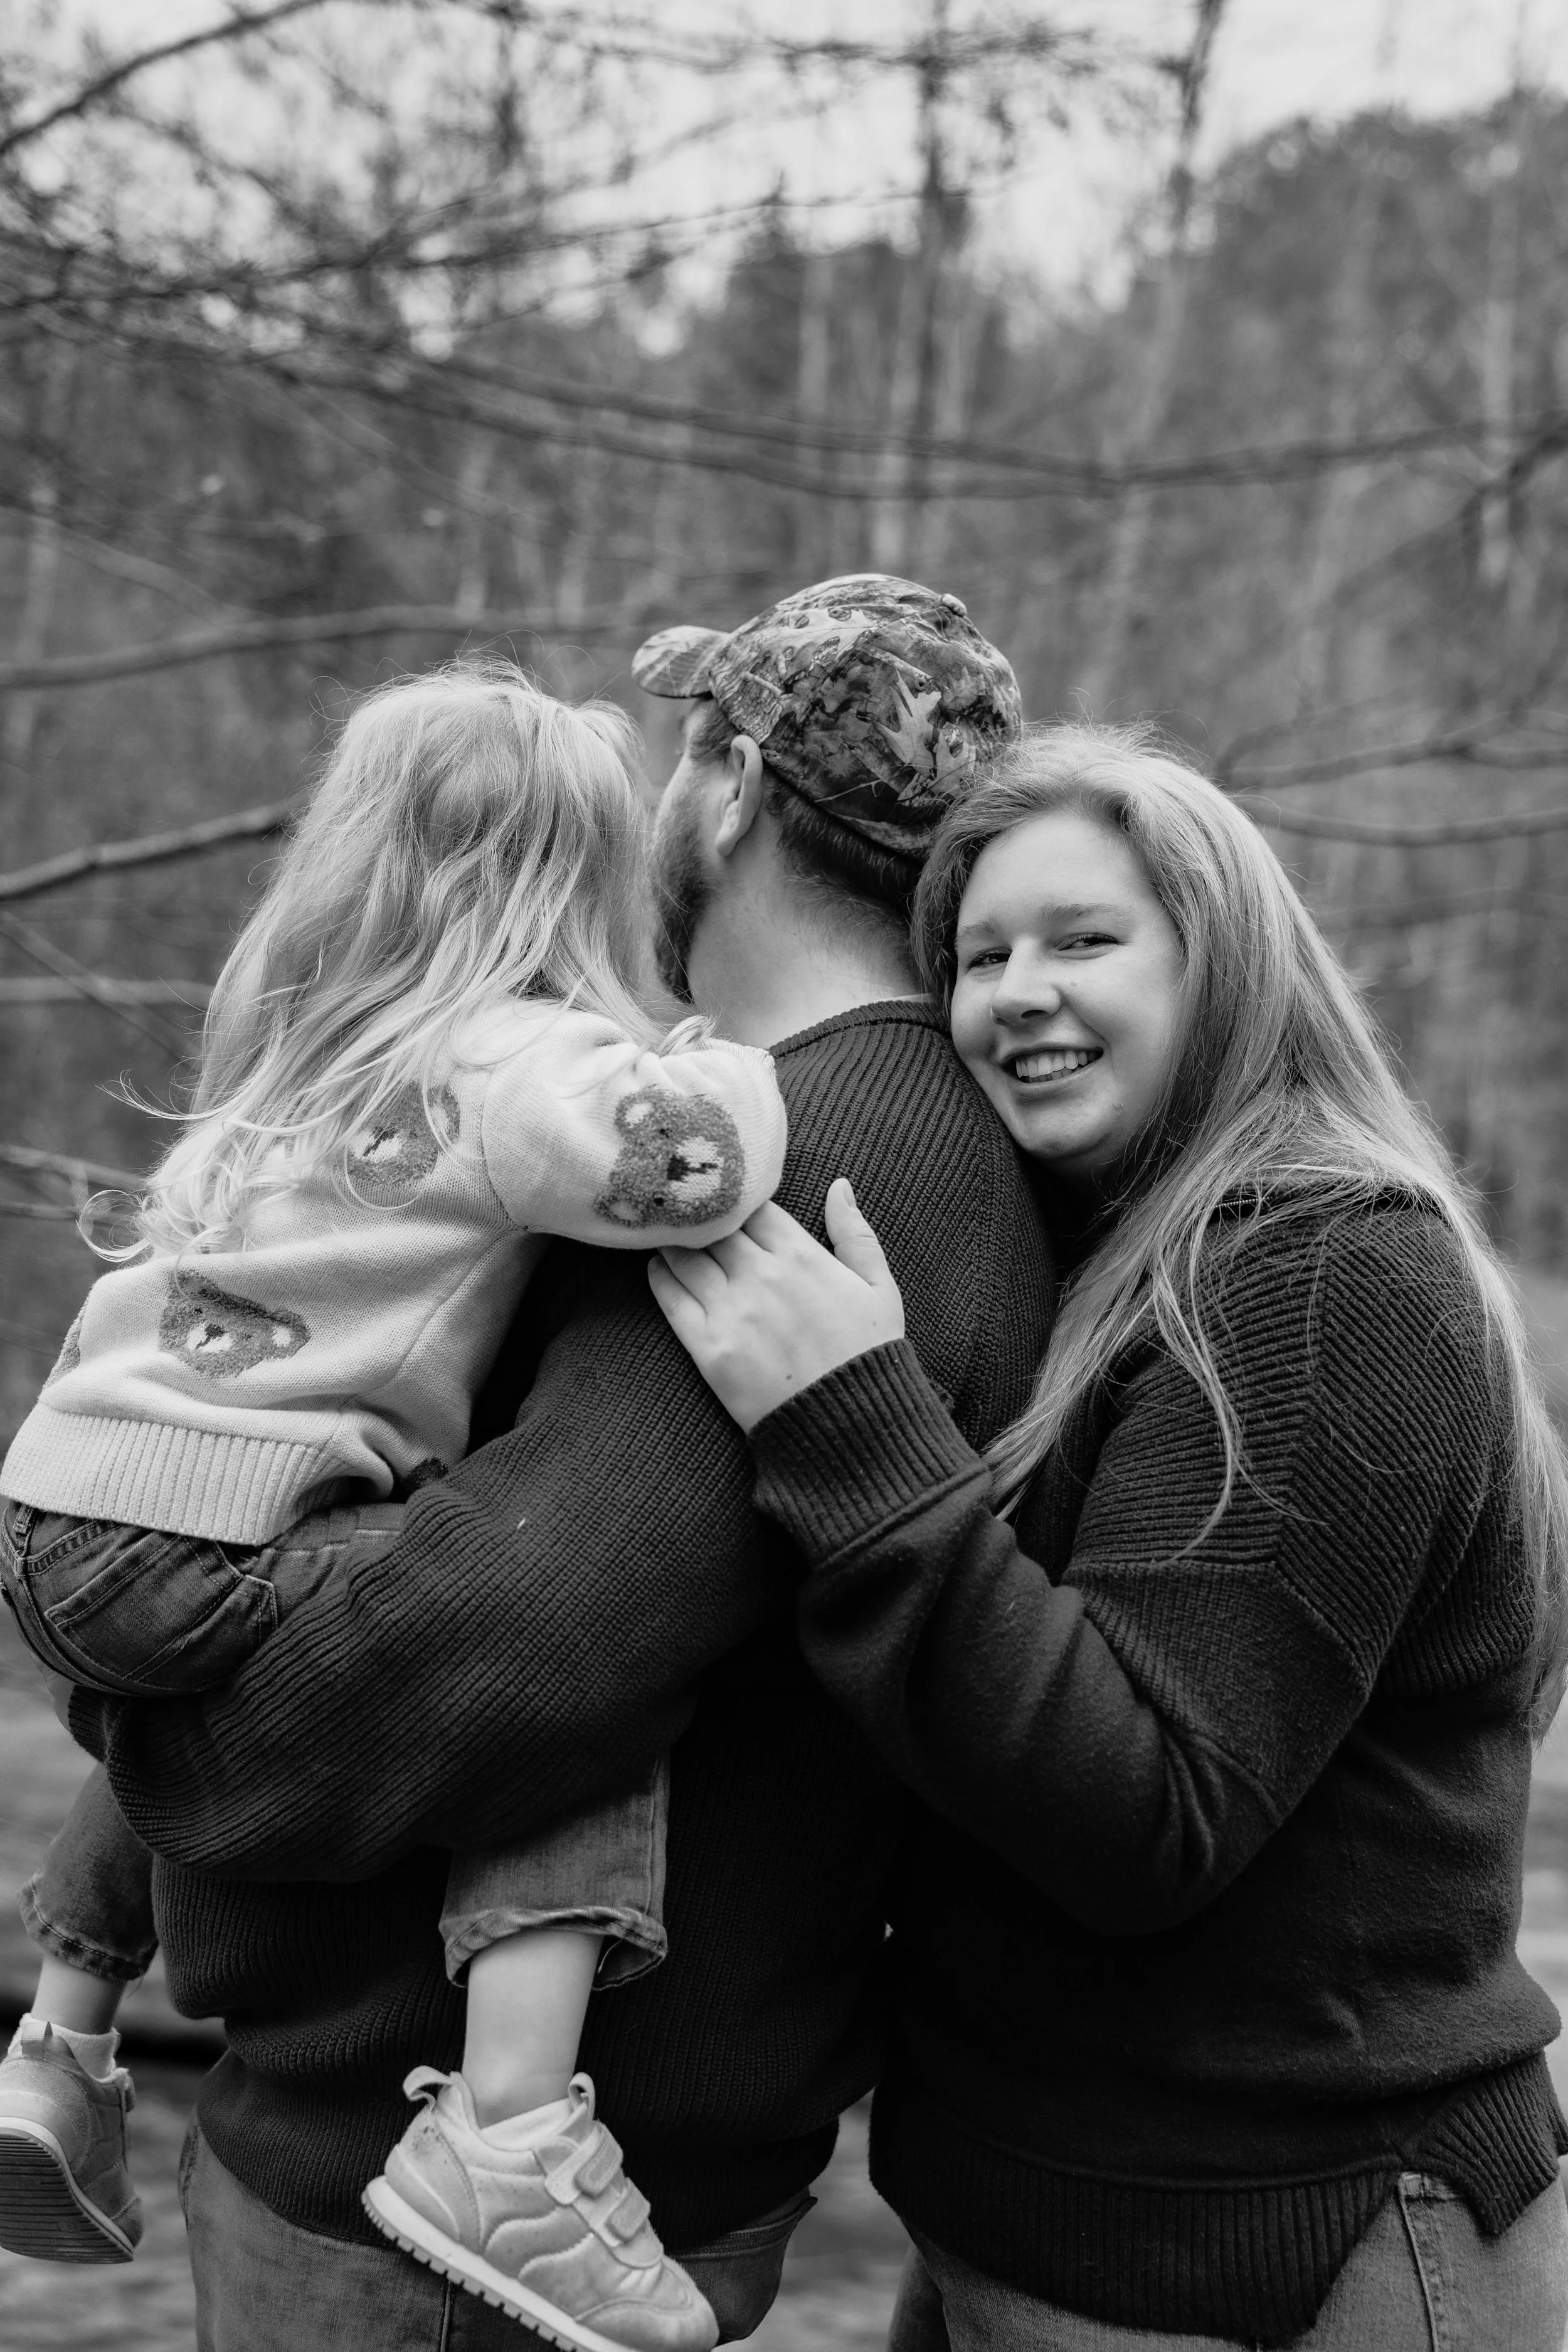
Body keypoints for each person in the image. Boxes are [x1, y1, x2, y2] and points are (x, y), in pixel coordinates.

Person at [49, 576, 1054, 2349]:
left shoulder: (804, 1139)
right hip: (470, 2167)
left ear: (726, 780)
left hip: (451, 2229)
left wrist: (145, 1706)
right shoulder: (851, 1118)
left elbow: (519, 1638)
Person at [650, 721, 1568, 2351]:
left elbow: (1143, 1810)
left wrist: (848, 1427)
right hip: (1043, 2207)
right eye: (980, 954)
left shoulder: (1317, 1275)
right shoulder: (1100, 1255)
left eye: (1083, 939)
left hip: (1294, 2238)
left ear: (1222, 967)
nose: (1017, 990)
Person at [0, 664, 790, 2351]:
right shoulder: (509, 1058)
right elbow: (682, 1170)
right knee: (555, 1681)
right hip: (211, 1532)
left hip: (64, 1520)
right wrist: (735, 1059)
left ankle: (60, 2042)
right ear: (564, 884)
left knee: (176, 1711)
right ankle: (503, 2122)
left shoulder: (294, 1056)